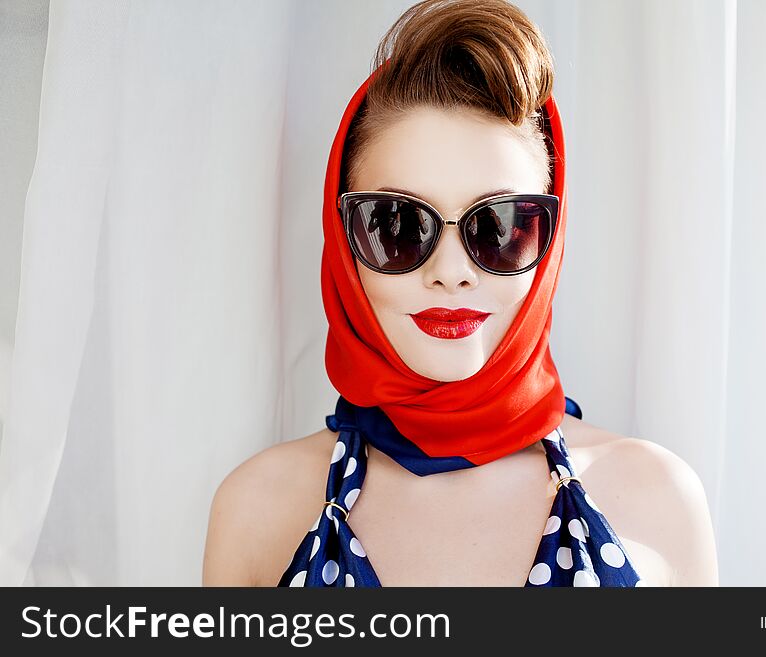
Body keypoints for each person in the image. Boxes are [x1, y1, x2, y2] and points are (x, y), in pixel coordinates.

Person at [203, 0, 718, 587]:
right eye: (398, 224)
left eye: (499, 226)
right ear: (343, 241)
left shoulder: (657, 499)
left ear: (547, 240)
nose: (452, 273)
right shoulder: (257, 511)